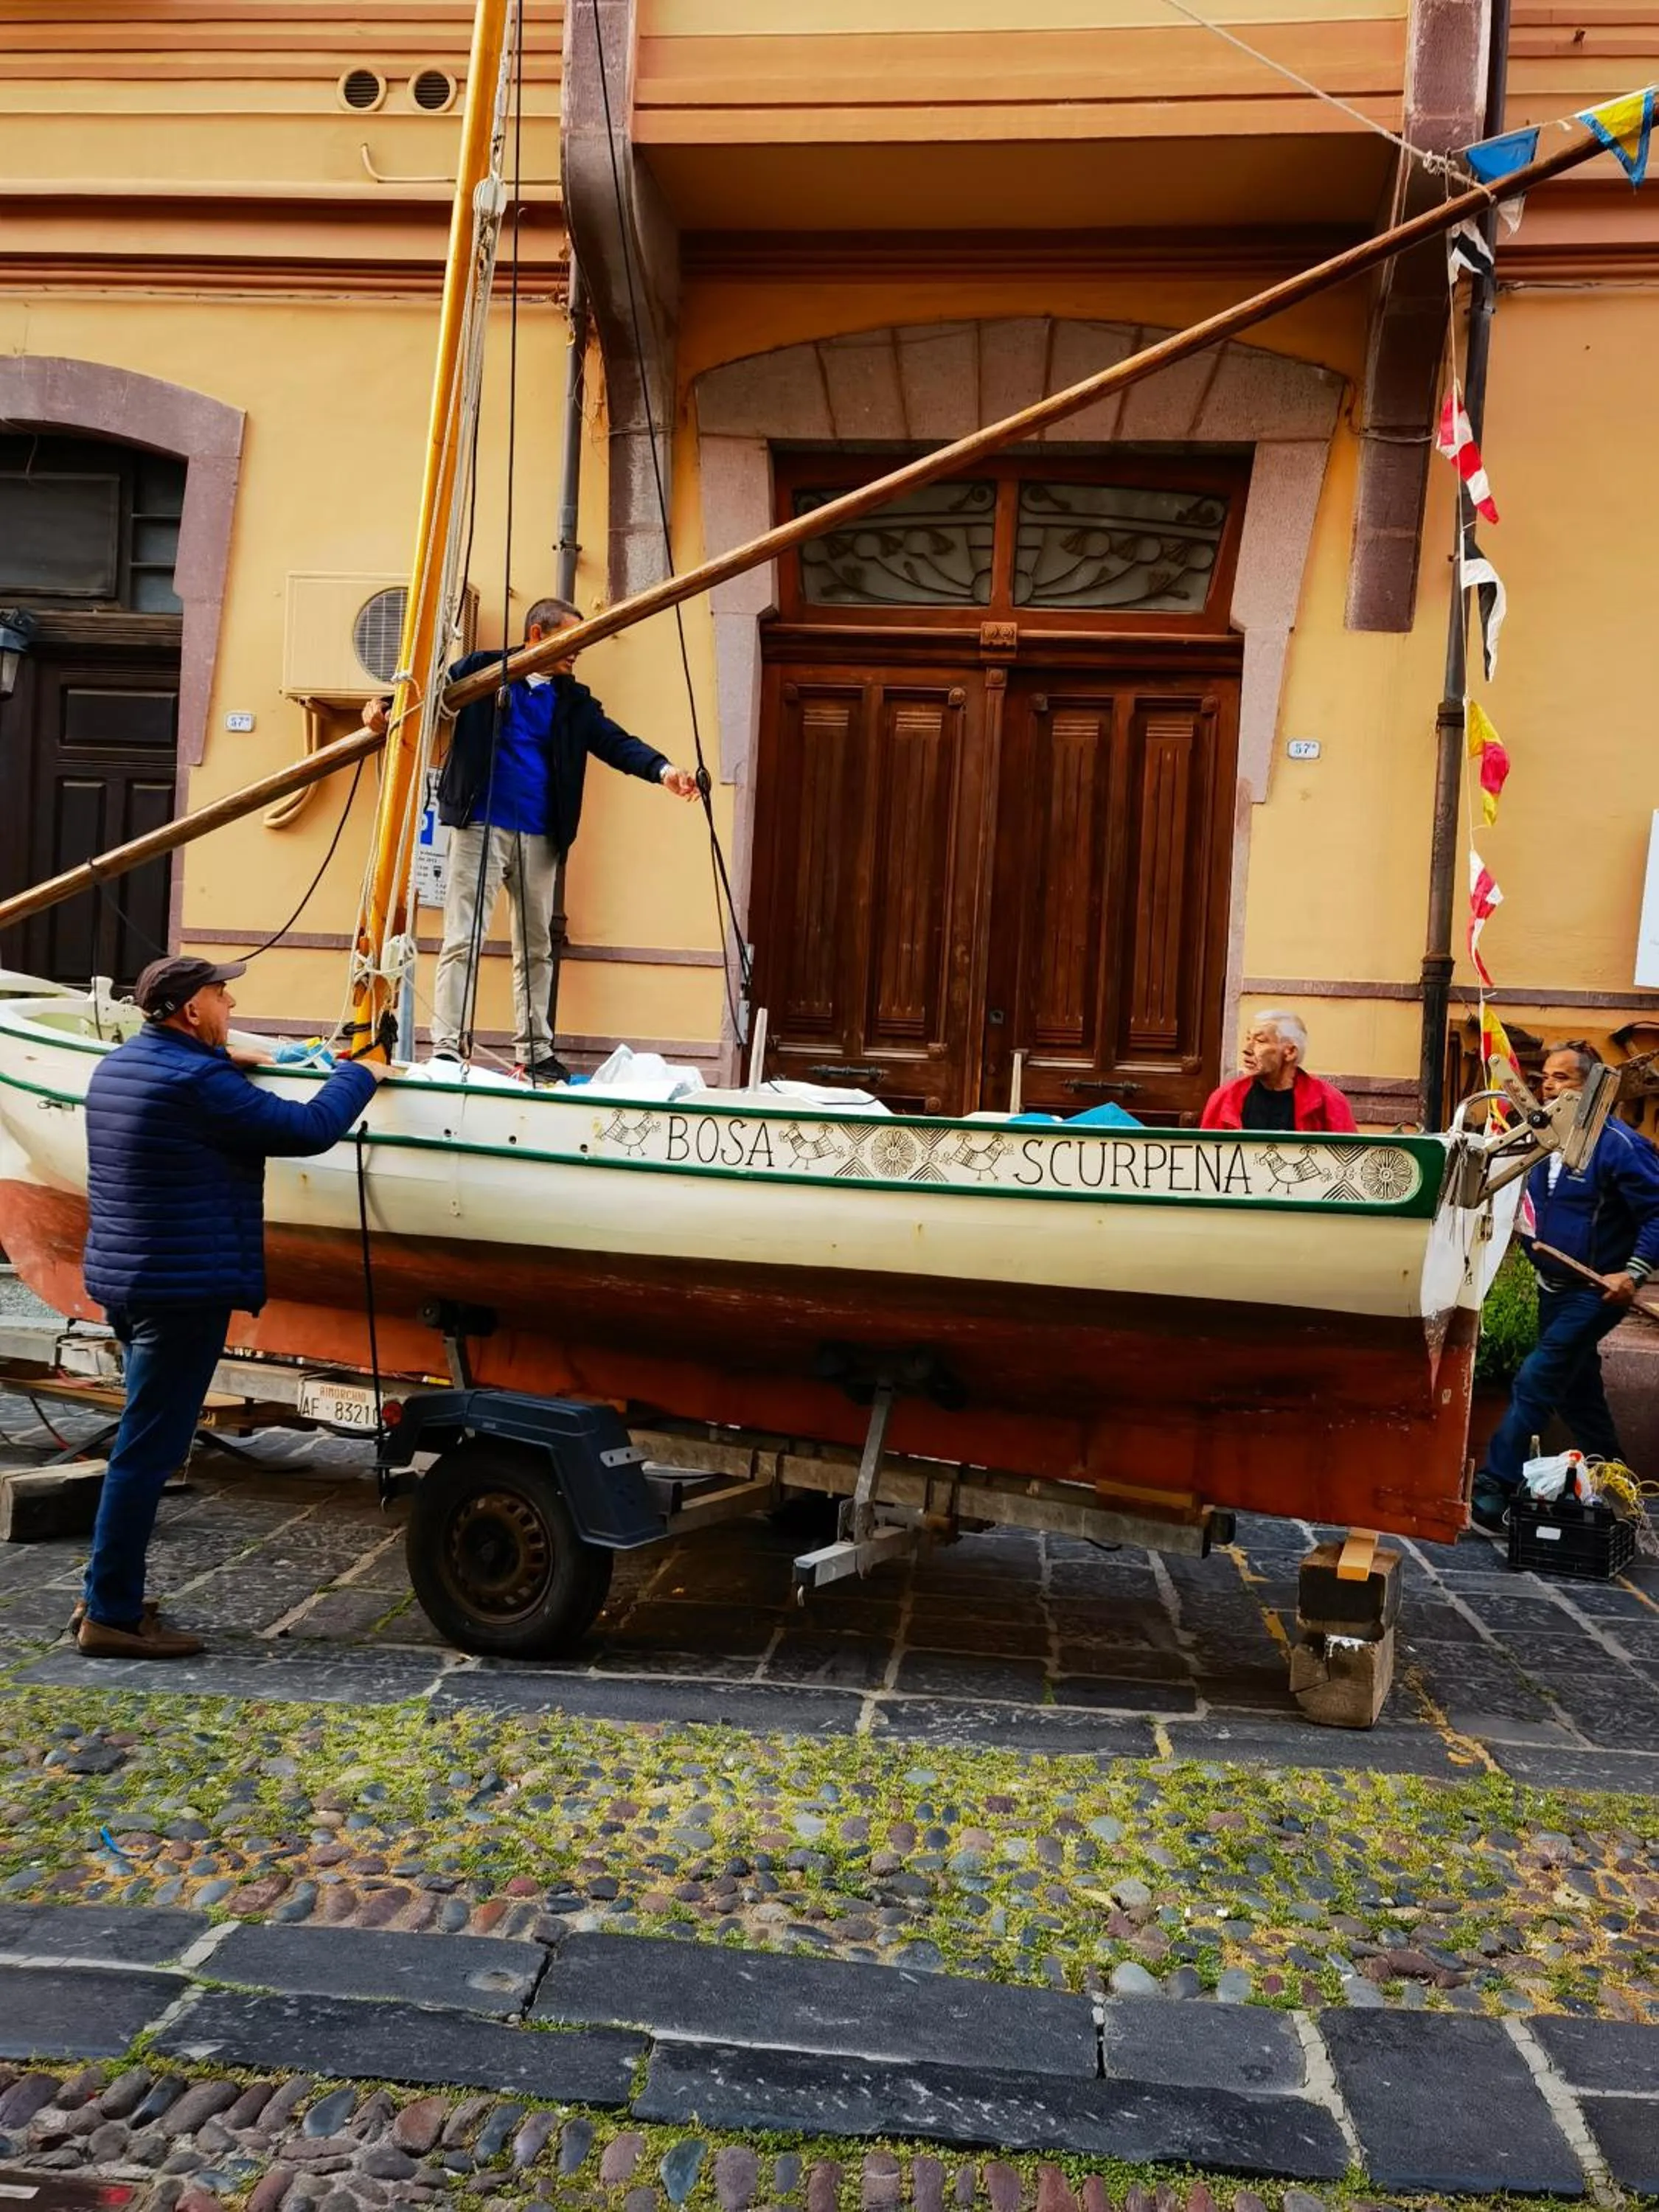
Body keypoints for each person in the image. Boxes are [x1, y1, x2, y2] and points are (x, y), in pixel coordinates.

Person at [74, 956, 389, 1658]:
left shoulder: (123, 1066)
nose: (232, 1001)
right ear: (190, 1010)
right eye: (222, 994)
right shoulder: (198, 1080)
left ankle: (104, 1593)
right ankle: (112, 1616)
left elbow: (195, 1100)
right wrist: (361, 1073)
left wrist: (235, 1056)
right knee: (146, 1455)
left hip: (128, 1282)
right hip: (183, 1292)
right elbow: (306, 1129)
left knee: (140, 1440)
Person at [371, 597, 700, 1079]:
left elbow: (614, 741)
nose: (576, 652)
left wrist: (663, 770)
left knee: (535, 947)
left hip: (541, 835)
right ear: (538, 635)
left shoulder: (573, 701)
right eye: (570, 640)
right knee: (464, 937)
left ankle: (535, 1051)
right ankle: (446, 1047)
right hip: (480, 822)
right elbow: (425, 693)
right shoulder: (483, 670)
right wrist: (381, 706)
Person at [1470, 1043, 1659, 1534]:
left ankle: (1495, 1484)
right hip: (1550, 1284)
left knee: (1538, 1376)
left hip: (1593, 1293)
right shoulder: (1542, 1138)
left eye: (1562, 1078)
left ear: (1594, 1086)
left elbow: (1658, 1213)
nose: (1548, 1086)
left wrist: (1633, 1271)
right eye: (1545, 1077)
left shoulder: (1620, 1145)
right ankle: (1616, 1477)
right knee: (1577, 1391)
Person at [1200, 1010, 1357, 1133]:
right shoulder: (1225, 1098)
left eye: (1260, 1041)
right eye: (1248, 1039)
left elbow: (1346, 1162)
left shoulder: (1328, 1102)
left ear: (1290, 1052)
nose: (1247, 1050)